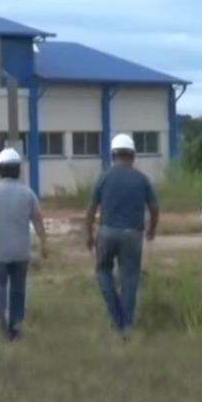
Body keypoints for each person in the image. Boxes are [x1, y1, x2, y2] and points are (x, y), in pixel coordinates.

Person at [84, 134, 159, 339]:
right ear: (133, 155)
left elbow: (91, 209)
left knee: (102, 270)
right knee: (130, 277)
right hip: (133, 235)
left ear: (113, 155)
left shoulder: (105, 177)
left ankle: (116, 314)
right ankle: (126, 323)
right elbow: (154, 208)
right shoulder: (141, 179)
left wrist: (89, 234)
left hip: (107, 233)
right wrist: (152, 230)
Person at [0, 148, 48, 340]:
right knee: (18, 290)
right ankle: (16, 325)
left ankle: (3, 325)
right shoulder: (28, 193)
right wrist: (44, 242)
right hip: (21, 252)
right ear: (18, 169)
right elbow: (38, 220)